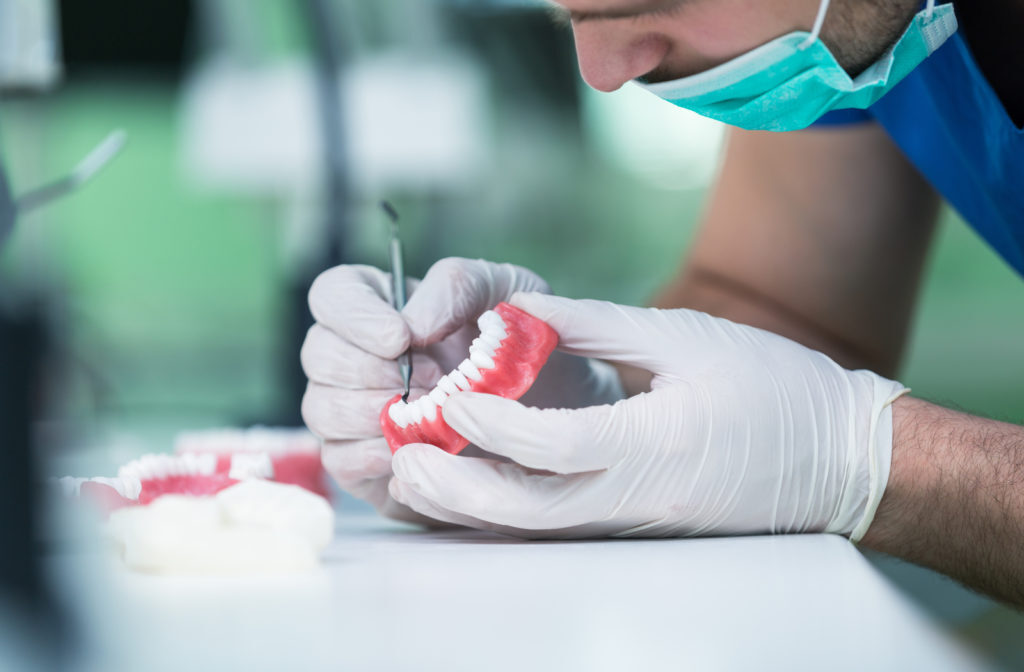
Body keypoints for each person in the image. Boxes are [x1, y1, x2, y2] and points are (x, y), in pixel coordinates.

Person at [301, 0, 1024, 606]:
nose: (603, 72)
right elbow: (788, 310)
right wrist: (578, 410)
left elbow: (829, 436)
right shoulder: (846, 30)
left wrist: (878, 463)